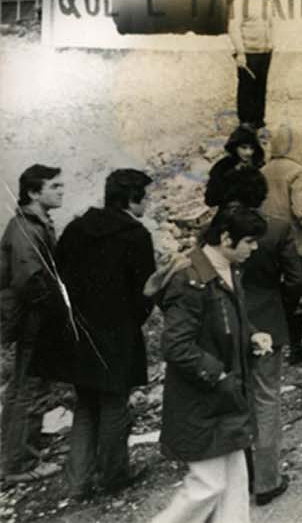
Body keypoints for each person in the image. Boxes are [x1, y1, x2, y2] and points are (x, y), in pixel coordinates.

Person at [149, 206, 271, 523]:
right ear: (226, 238)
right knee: (207, 485)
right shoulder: (191, 280)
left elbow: (229, 321)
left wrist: (253, 336)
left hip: (226, 396)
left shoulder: (227, 269)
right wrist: (218, 375)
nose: (255, 248)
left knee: (235, 484)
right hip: (202, 400)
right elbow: (176, 345)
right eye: (250, 241)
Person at [46, 169, 155, 499]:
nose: (148, 203)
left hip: (78, 333)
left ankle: (77, 483)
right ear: (132, 199)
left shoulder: (76, 228)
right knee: (113, 404)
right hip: (116, 332)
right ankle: (114, 477)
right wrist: (135, 318)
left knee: (86, 404)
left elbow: (58, 280)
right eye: (145, 197)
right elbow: (145, 290)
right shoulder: (135, 235)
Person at [239, 182, 302, 507]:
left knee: (239, 399)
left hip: (227, 324)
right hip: (267, 318)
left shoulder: (213, 230)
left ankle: (243, 476)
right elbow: (297, 279)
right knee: (266, 399)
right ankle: (267, 480)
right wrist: (284, 305)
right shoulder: (277, 228)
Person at [1, 165, 64, 486]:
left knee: (21, 389)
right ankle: (21, 464)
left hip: (31, 319)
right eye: (54, 186)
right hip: (35, 320)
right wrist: (57, 310)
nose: (61, 191)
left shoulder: (34, 224)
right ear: (33, 193)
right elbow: (29, 281)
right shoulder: (26, 228)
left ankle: (12, 456)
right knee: (31, 390)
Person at [259, 123, 302, 365]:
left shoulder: (264, 171)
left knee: (280, 296)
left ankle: (284, 344)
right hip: (294, 243)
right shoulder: (297, 172)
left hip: (267, 242)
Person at [227, 0, 274, 129]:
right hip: (248, 53)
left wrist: (271, 43)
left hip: (265, 53)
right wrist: (240, 52)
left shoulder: (266, 3)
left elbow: (271, 25)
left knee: (261, 88)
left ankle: (259, 122)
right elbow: (233, 27)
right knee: (246, 88)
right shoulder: (239, 2)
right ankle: (246, 123)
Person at [204, 125, 266, 209]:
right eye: (243, 147)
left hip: (248, 217)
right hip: (226, 217)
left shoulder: (255, 170)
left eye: (251, 148)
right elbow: (210, 199)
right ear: (235, 147)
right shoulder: (222, 167)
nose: (248, 152)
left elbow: (258, 200)